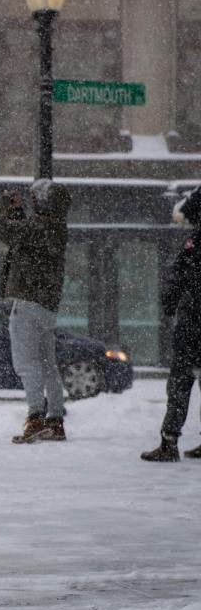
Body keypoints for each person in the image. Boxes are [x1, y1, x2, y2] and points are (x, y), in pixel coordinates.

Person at [0, 179, 72, 443]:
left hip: (28, 303)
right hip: (47, 305)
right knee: (47, 364)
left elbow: (7, 231)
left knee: (27, 363)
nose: (31, 202)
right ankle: (55, 420)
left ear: (44, 201)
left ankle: (36, 417)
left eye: (34, 198)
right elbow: (23, 232)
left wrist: (6, 209)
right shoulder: (55, 227)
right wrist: (17, 212)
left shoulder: (41, 227)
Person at [142, 189, 201, 462]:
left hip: (193, 322)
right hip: (193, 319)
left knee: (180, 381)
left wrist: (169, 302)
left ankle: (169, 442)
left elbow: (179, 274)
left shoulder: (195, 243)